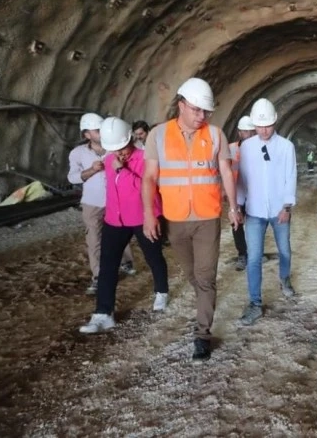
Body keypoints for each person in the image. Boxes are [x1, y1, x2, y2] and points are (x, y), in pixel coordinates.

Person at [142, 77, 240, 361]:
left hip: (207, 217)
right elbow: (149, 178)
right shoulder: (157, 136)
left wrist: (233, 207)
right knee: (192, 276)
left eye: (206, 112)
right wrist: (150, 215)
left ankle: (202, 334)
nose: (202, 116)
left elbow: (225, 173)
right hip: (175, 219)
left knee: (205, 277)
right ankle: (203, 309)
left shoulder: (215, 135)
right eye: (196, 110)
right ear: (181, 105)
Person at [79, 117, 169, 333]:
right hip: (115, 220)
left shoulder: (146, 158)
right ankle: (103, 313)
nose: (119, 153)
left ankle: (161, 291)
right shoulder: (110, 160)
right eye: (115, 149)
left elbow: (148, 188)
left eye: (122, 148)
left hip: (143, 217)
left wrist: (124, 171)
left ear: (130, 140)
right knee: (108, 265)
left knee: (153, 256)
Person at [237, 98, 297, 326]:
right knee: (253, 258)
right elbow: (242, 179)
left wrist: (287, 206)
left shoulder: (285, 147)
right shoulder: (246, 147)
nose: (263, 130)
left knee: (285, 251)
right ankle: (255, 303)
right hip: (254, 211)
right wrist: (239, 206)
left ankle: (284, 278)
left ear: (275, 123)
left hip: (279, 210)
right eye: (259, 126)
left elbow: (291, 176)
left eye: (268, 125)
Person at [67, 112, 135, 295]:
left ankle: (126, 262)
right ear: (86, 134)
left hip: (117, 200)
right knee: (94, 239)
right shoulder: (78, 153)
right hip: (92, 203)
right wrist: (91, 170)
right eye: (96, 131)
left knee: (122, 232)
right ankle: (99, 276)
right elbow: (72, 177)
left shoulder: (115, 148)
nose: (101, 133)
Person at [229, 115, 256, 271]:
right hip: (237, 194)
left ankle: (252, 253)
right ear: (240, 133)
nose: (250, 135)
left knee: (254, 224)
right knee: (236, 224)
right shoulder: (232, 149)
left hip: (254, 195)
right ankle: (242, 254)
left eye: (252, 131)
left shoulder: (260, 147)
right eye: (246, 132)